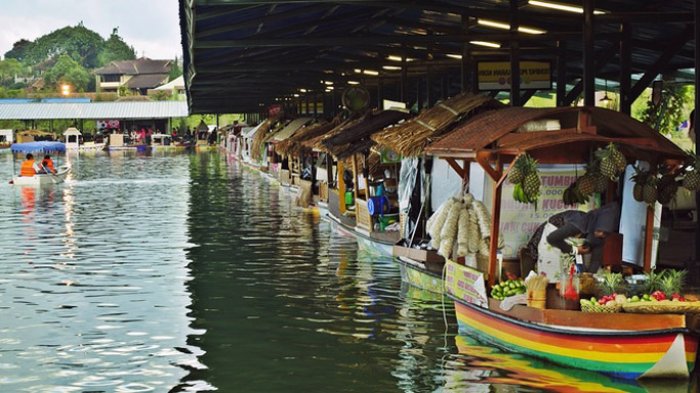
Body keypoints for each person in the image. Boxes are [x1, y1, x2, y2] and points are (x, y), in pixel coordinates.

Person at [546, 202, 620, 272]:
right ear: (596, 225)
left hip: (568, 248)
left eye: (605, 233)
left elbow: (596, 259)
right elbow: (552, 238)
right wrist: (576, 250)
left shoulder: (599, 236)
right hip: (553, 238)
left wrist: (588, 276)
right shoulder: (579, 223)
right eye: (599, 230)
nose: (601, 234)